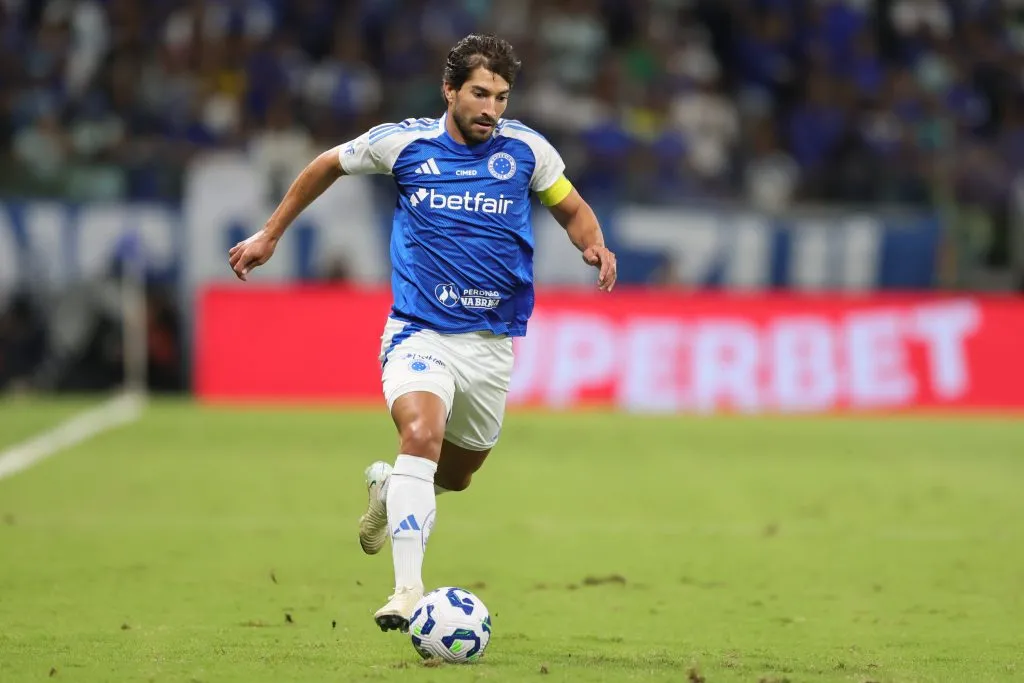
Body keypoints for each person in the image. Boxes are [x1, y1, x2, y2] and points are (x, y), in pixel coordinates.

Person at [228, 33, 617, 632]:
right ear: (450, 91)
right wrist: (270, 234)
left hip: (489, 342)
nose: (491, 109)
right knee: (420, 433)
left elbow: (571, 207)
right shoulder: (404, 143)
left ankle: (390, 490)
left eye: (502, 97)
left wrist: (592, 243)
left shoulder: (527, 153)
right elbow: (327, 163)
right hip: (419, 330)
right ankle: (408, 592)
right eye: (480, 94)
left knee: (456, 475)